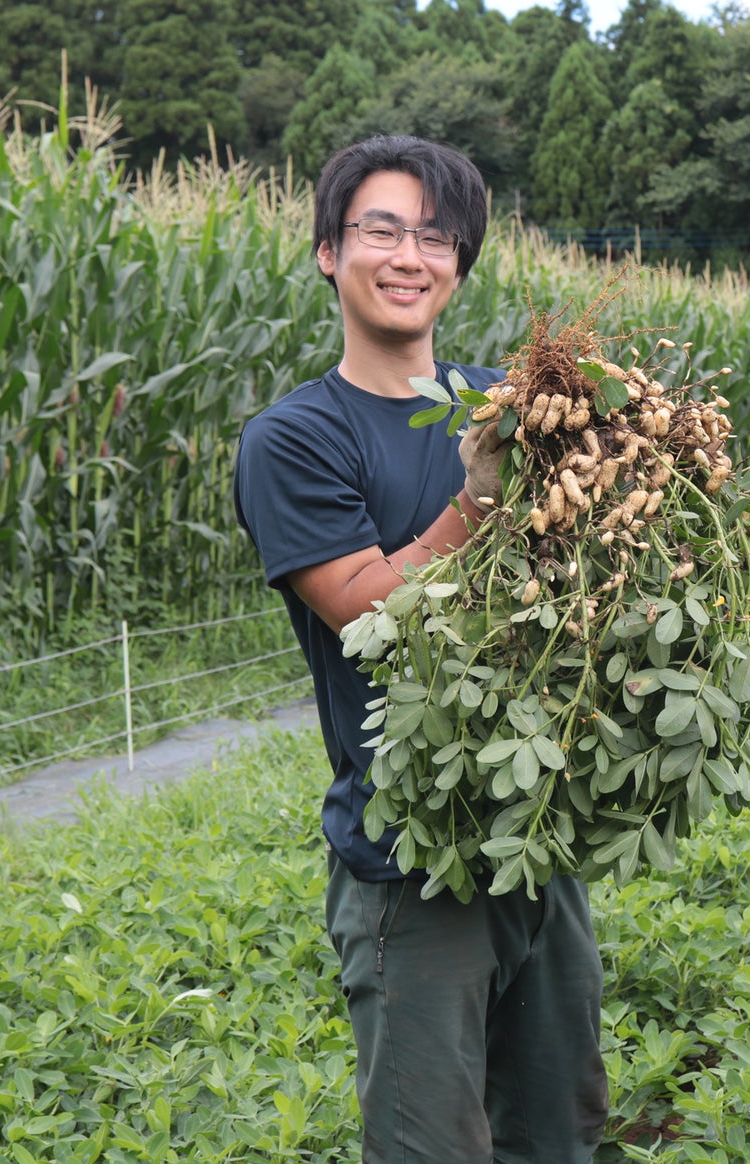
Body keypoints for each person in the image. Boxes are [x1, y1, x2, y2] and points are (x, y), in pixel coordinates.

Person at [234, 135, 609, 1162]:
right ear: (327, 250)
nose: (410, 255)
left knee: (559, 1135)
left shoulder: (506, 398)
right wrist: (476, 498)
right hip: (412, 860)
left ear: (460, 262)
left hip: (538, 843)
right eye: (382, 230)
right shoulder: (296, 437)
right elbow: (362, 608)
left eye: (436, 236)